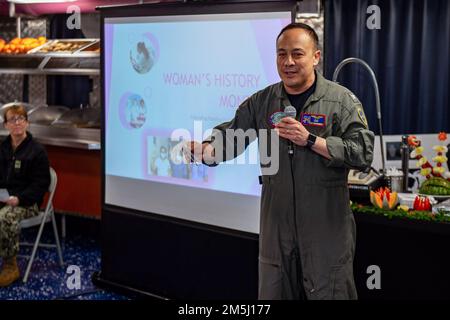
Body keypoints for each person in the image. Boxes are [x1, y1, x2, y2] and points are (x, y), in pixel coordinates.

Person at [186, 23, 374, 300]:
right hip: (277, 226)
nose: (288, 62)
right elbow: (234, 135)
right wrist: (206, 150)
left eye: (297, 54)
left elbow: (362, 152)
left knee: (330, 292)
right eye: (281, 54)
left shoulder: (341, 101)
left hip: (325, 226)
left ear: (316, 57)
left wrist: (311, 140)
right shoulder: (264, 101)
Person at [0, 104, 50, 287]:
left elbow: (40, 185)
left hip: (28, 203)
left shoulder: (37, 151)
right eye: (12, 119)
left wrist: (19, 199)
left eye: (21, 119)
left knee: (5, 217)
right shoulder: (3, 148)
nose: (17, 123)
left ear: (27, 123)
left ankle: (10, 266)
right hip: (5, 198)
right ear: (6, 125)